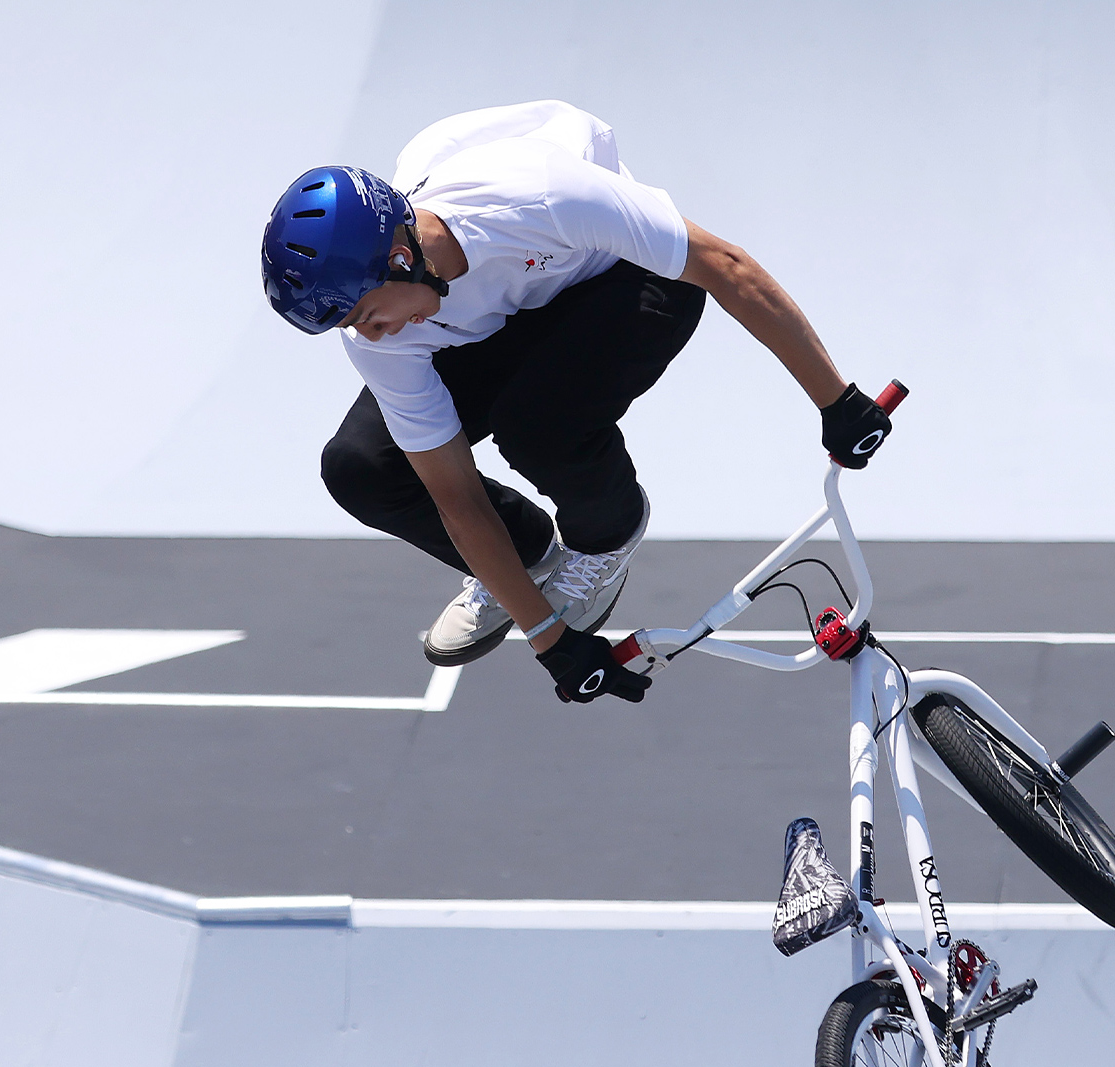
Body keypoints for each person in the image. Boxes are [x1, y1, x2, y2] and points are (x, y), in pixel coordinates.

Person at [261, 101, 891, 705]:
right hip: (501, 312)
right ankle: (529, 557)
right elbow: (454, 496)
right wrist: (551, 640)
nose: (367, 336)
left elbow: (725, 266)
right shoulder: (384, 334)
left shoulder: (538, 196)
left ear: (401, 259)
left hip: (621, 278)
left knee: (535, 427)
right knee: (361, 466)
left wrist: (837, 402)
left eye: (366, 316)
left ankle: (607, 535)